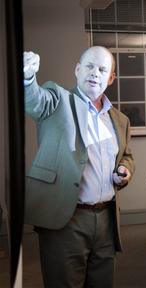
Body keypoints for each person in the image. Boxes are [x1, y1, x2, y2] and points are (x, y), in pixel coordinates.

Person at [23, 47, 134, 287]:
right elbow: (35, 101)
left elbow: (126, 156)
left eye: (103, 69)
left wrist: (125, 170)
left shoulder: (120, 120)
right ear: (77, 70)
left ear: (111, 78)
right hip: (66, 219)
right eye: (89, 66)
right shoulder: (58, 100)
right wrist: (27, 77)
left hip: (106, 219)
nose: (95, 73)